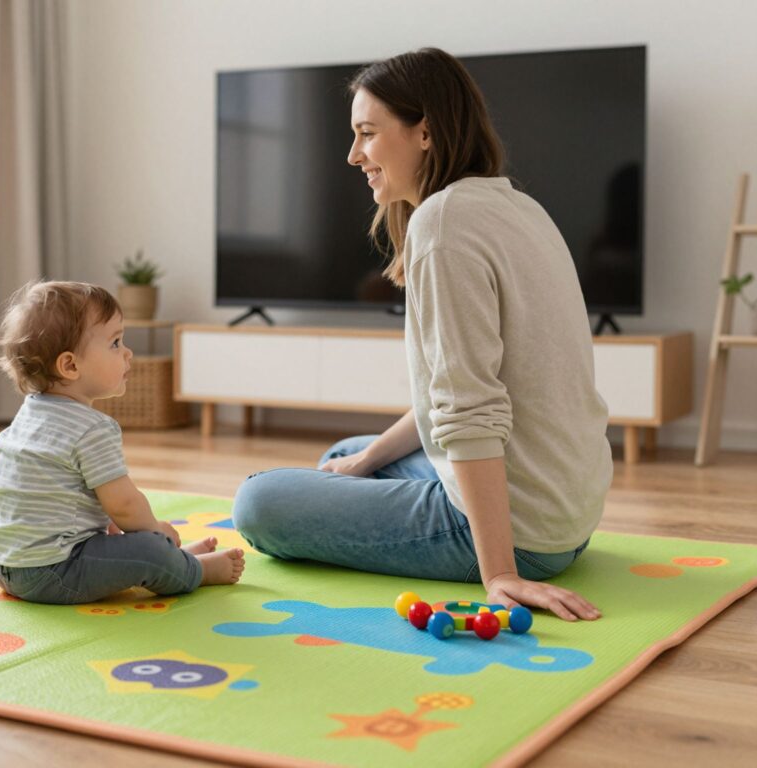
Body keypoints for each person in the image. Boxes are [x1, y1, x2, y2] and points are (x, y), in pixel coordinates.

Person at [232, 48, 611, 622]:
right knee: (346, 457)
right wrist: (366, 463)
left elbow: (470, 408)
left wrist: (501, 573)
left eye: (367, 133)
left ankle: (501, 555)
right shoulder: (518, 205)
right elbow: (462, 391)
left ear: (426, 132)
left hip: (525, 534)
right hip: (568, 512)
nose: (353, 154)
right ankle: (374, 473)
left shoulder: (442, 224)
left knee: (258, 502)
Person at [0, 281, 245, 604]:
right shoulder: (92, 429)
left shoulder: (30, 413)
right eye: (116, 343)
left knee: (114, 532)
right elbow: (124, 506)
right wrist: (156, 530)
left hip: (3, 565)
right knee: (147, 551)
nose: (128, 352)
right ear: (70, 365)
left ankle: (175, 558)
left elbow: (63, 493)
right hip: (52, 571)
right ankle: (195, 571)